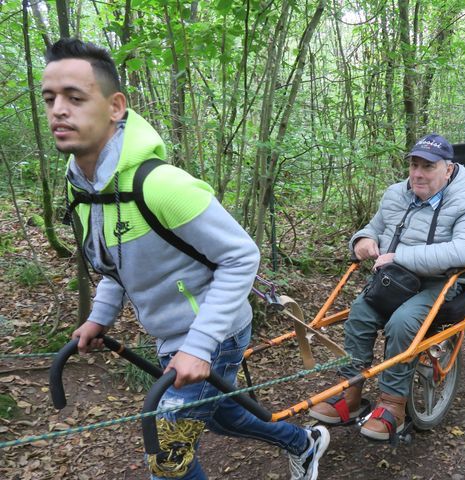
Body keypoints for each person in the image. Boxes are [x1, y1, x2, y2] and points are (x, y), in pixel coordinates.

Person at [42, 37, 329, 480]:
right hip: (171, 335)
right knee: (221, 415)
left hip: (215, 331)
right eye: (50, 98)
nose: (59, 109)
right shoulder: (84, 191)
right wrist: (100, 317)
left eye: (75, 98)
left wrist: (198, 347)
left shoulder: (162, 185)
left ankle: (299, 443)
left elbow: (240, 256)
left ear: (116, 106)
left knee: (168, 454)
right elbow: (116, 263)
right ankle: (304, 443)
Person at [310, 134, 465, 440]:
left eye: (428, 167)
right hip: (396, 279)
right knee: (360, 312)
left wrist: (400, 255)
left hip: (442, 281)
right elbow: (374, 227)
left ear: (448, 170)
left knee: (403, 322)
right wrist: (363, 240)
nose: (418, 173)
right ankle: (348, 393)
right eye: (414, 164)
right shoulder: (396, 194)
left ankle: (393, 405)